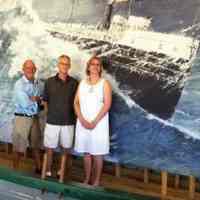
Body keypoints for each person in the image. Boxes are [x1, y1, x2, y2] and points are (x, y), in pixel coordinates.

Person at [74, 56, 112, 186]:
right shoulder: (82, 83)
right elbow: (76, 103)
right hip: (83, 122)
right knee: (86, 152)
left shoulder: (104, 83)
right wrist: (81, 119)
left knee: (97, 153)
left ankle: (96, 181)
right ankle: (86, 179)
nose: (95, 67)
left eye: (98, 64)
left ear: (100, 68)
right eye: (92, 64)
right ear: (88, 66)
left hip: (99, 124)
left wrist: (94, 122)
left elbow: (107, 105)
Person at [42, 55, 78, 183]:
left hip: (68, 122)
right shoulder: (49, 81)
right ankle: (47, 171)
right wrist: (49, 113)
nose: (64, 66)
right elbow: (45, 101)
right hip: (52, 122)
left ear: (69, 66)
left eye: (67, 64)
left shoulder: (74, 83)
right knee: (49, 149)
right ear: (58, 65)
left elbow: (77, 102)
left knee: (66, 149)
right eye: (62, 63)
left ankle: (61, 172)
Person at [12, 59, 42, 173]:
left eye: (32, 68)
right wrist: (35, 99)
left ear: (35, 70)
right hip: (22, 118)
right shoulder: (19, 84)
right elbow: (25, 103)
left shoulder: (38, 83)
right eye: (27, 68)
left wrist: (34, 99)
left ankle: (39, 170)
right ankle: (15, 172)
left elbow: (40, 100)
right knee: (19, 148)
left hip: (34, 117)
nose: (30, 70)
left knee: (36, 146)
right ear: (23, 69)